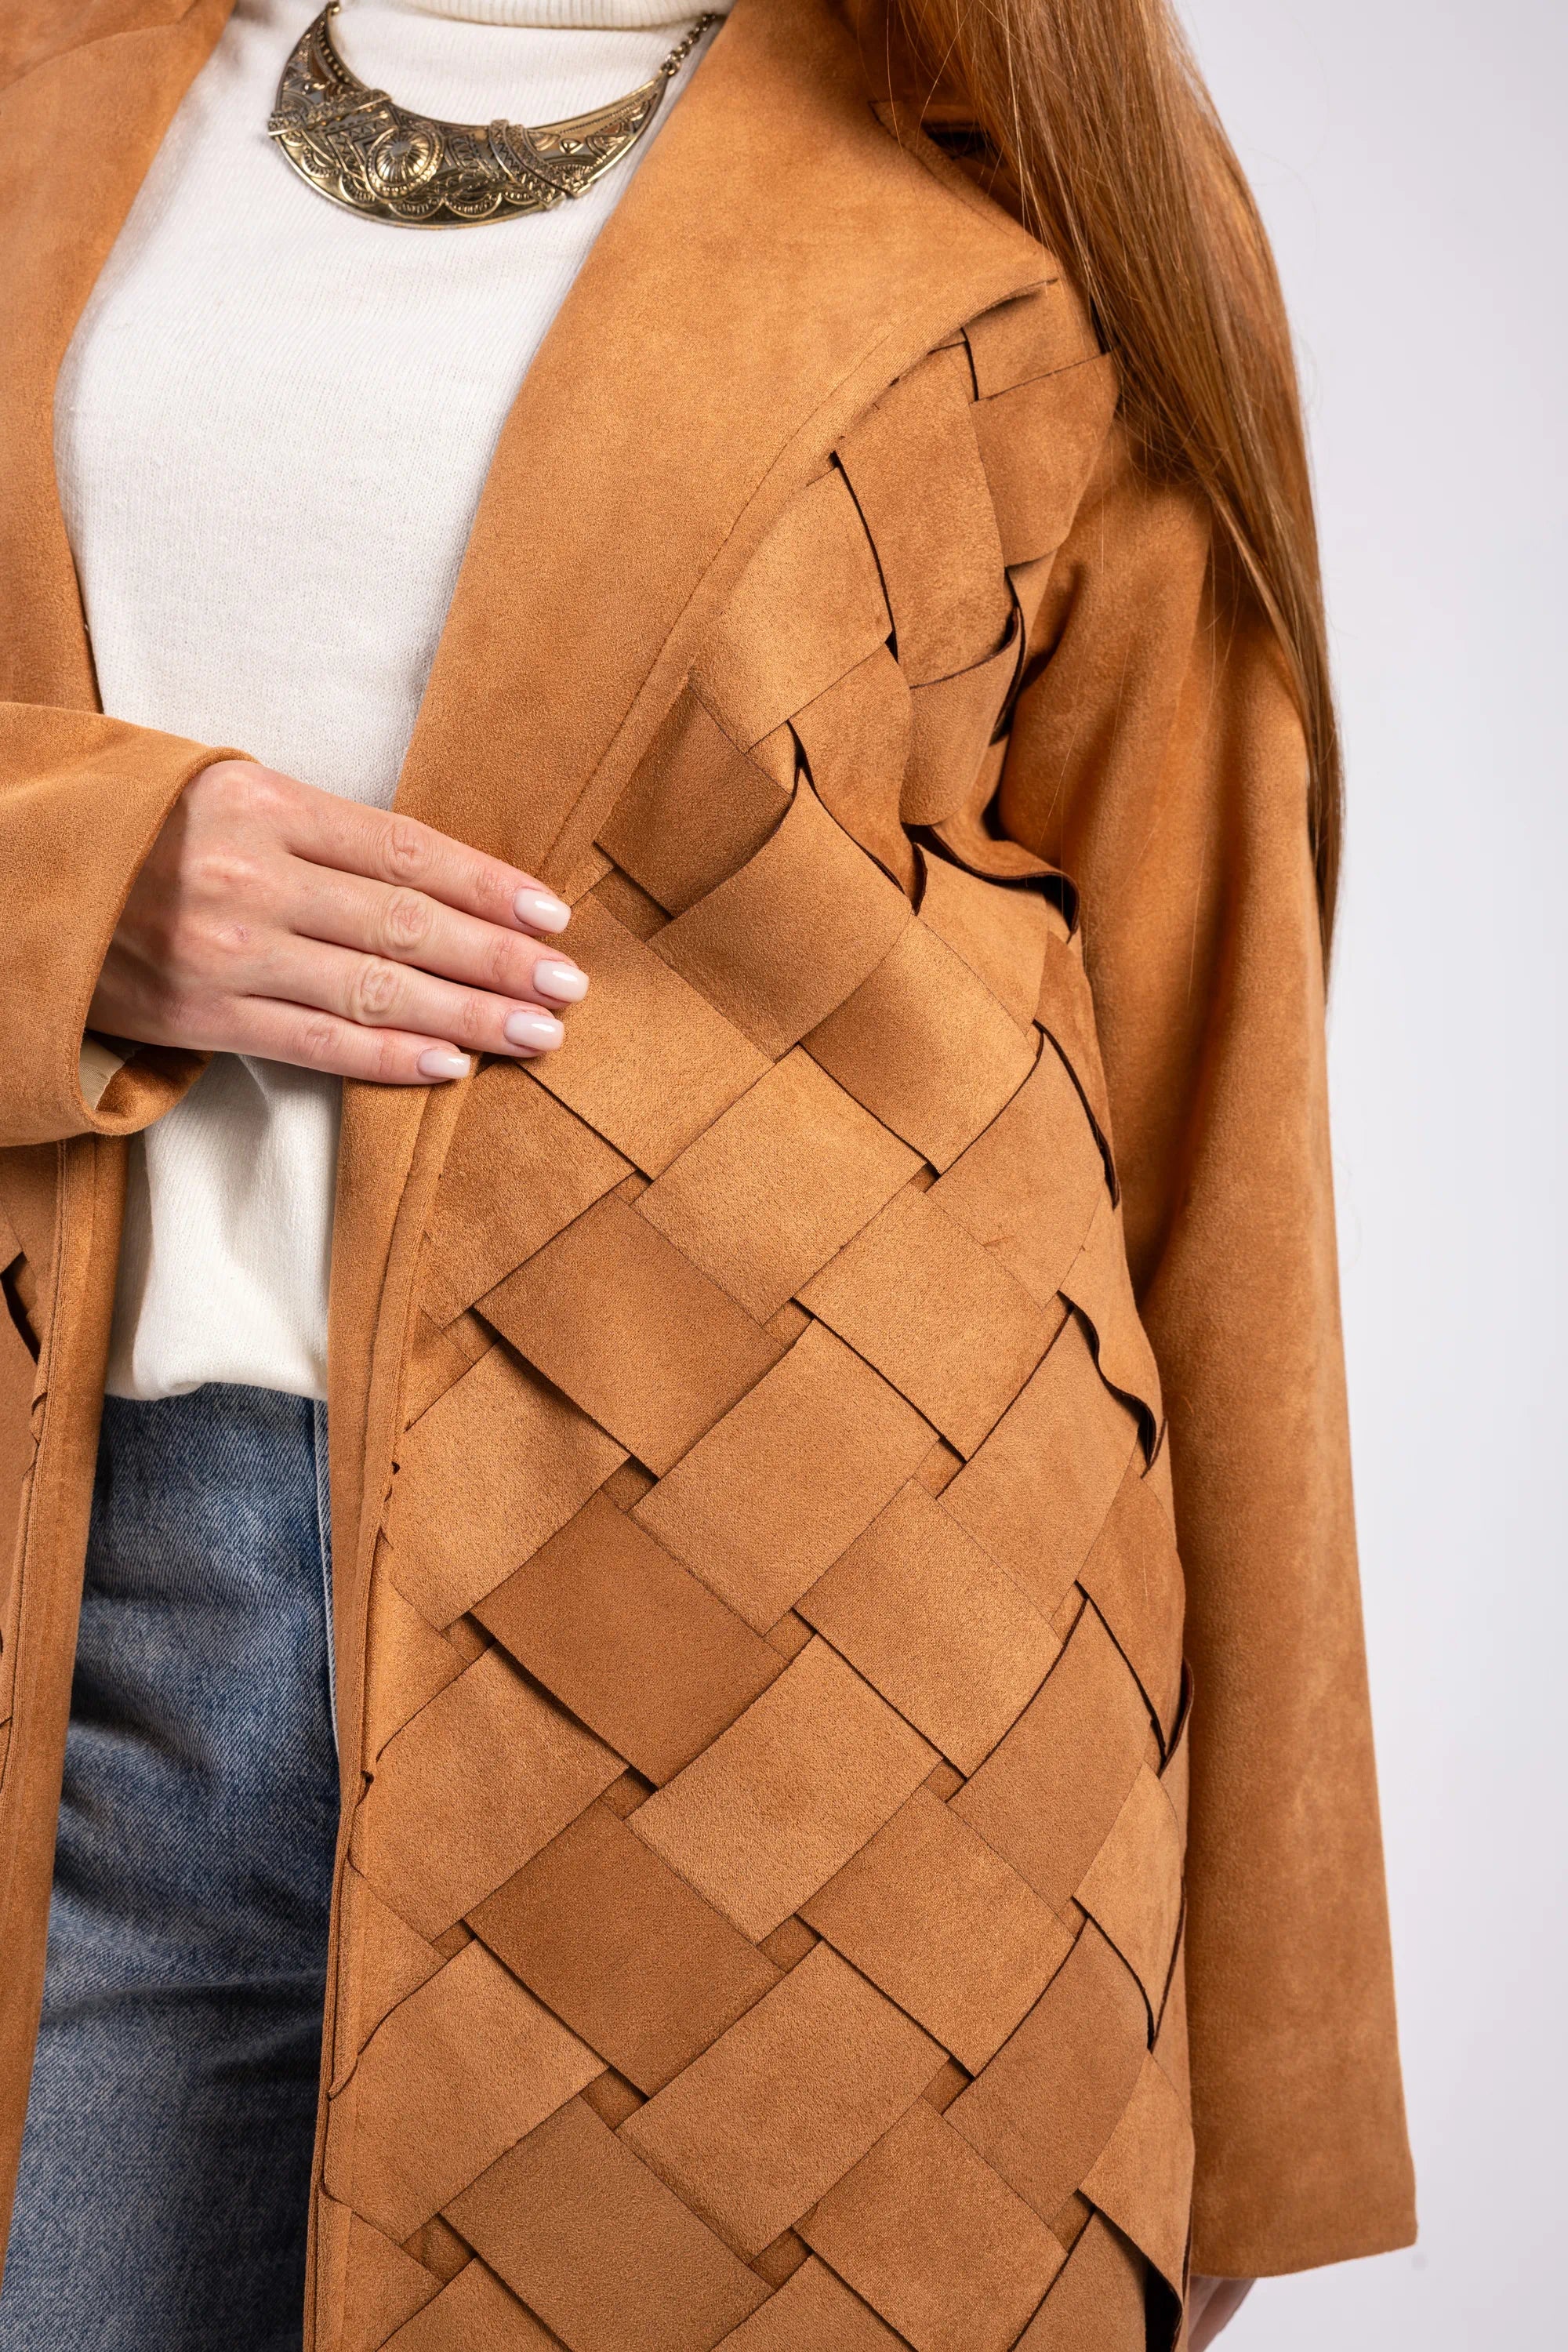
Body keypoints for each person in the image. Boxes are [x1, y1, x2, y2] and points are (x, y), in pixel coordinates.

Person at [0, 0, 1416, 2344]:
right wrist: (68, 885)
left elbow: (1215, 1123)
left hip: (823, 1731)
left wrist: (1258, 2070)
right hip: (94, 1647)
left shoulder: (1034, 185)